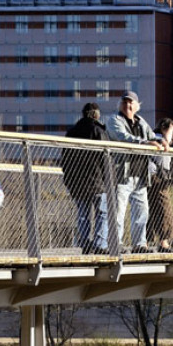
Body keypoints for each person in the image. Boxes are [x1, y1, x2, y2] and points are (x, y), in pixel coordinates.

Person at [106, 91, 167, 253]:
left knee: (142, 212)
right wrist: (145, 142)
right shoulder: (114, 120)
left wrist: (161, 140)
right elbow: (121, 136)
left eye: (131, 102)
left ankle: (139, 244)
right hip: (122, 173)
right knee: (119, 211)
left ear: (137, 105)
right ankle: (115, 244)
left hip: (140, 174)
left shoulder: (141, 121)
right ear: (120, 104)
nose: (128, 105)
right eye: (125, 102)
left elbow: (152, 136)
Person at [62, 102, 110, 254]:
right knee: (102, 212)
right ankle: (100, 245)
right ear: (96, 115)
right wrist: (110, 180)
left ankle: (85, 243)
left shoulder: (72, 132)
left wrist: (68, 180)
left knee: (83, 213)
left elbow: (65, 159)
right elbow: (106, 158)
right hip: (97, 180)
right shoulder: (99, 131)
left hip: (77, 181)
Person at [148, 117, 173, 252]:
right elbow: (162, 161)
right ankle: (164, 242)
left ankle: (146, 242)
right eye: (172, 132)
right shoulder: (160, 140)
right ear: (164, 129)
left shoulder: (153, 138)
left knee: (151, 210)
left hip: (151, 177)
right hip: (157, 178)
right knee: (165, 209)